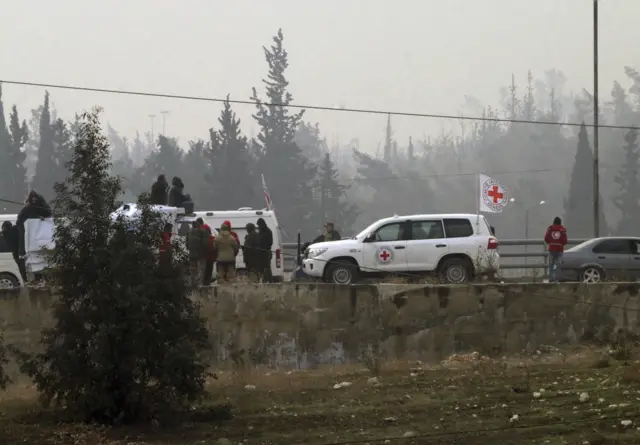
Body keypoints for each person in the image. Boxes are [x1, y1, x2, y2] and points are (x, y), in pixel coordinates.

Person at [16, 190, 52, 257]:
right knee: (23, 236)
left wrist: (43, 217)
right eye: (32, 199)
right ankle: (22, 253)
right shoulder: (28, 206)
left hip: (36, 223)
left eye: (35, 199)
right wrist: (38, 217)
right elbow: (29, 213)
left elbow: (49, 212)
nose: (34, 200)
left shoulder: (42, 204)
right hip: (22, 222)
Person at [544, 216, 568, 282]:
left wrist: (550, 243)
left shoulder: (550, 228)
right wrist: (561, 244)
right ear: (560, 222)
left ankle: (551, 278)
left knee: (551, 264)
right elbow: (565, 241)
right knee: (558, 264)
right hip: (559, 249)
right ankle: (557, 278)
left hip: (551, 248)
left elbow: (546, 238)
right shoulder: (562, 229)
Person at [187, 219, 210, 286]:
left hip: (192, 254)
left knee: (193, 268)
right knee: (201, 268)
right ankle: (200, 283)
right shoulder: (203, 231)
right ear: (199, 224)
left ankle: (193, 282)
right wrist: (206, 251)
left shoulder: (189, 232)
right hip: (201, 254)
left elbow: (187, 244)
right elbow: (205, 243)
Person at [256, 217, 273, 283]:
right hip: (261, 252)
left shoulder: (268, 232)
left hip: (266, 252)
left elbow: (270, 242)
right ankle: (264, 279)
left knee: (267, 267)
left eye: (259, 225)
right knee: (263, 267)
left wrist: (264, 247)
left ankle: (269, 280)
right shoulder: (261, 232)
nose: (258, 227)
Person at [200, 220, 216, 285]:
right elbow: (215, 248)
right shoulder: (213, 238)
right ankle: (207, 284)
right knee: (209, 272)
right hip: (211, 258)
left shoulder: (201, 239)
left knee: (203, 272)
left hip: (203, 258)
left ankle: (203, 284)